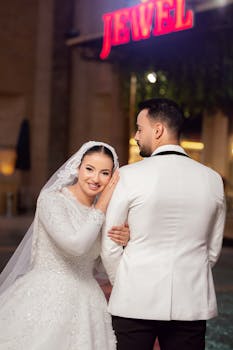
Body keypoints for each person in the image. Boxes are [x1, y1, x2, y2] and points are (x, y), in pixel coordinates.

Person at [101, 99, 226, 350]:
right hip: (191, 302)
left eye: (139, 128)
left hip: (134, 300)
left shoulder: (128, 175)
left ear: (157, 130)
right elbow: (212, 251)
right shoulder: (212, 180)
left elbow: (110, 244)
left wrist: (126, 280)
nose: (136, 135)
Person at [0, 141, 130, 350]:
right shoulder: (52, 200)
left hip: (88, 303)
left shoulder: (103, 214)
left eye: (105, 173)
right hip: (46, 297)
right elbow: (75, 245)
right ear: (77, 167)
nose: (95, 179)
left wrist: (123, 240)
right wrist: (103, 203)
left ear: (111, 178)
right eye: (89, 169)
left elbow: (99, 266)